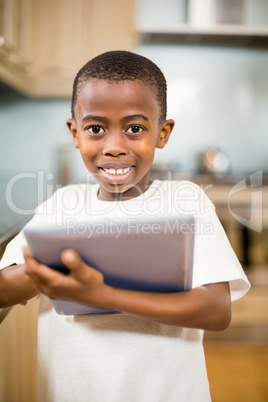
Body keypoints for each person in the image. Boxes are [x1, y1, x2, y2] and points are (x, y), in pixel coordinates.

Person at [0, 50, 250, 402]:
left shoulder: (185, 201)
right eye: (96, 129)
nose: (115, 147)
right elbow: (5, 287)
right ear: (75, 132)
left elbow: (215, 309)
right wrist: (48, 268)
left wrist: (101, 294)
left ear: (163, 133)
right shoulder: (61, 205)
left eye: (135, 128)